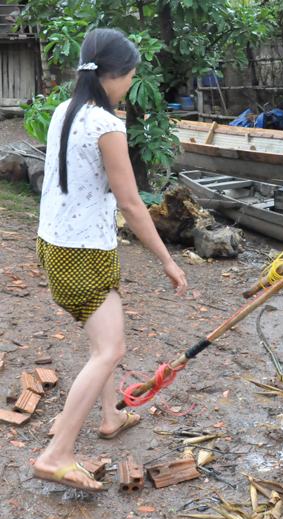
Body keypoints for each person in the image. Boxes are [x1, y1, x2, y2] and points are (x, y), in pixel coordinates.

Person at [32, 28, 188, 492]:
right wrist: (167, 260)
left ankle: (109, 416)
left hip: (55, 245)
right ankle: (56, 454)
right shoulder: (107, 124)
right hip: (82, 255)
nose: (129, 85)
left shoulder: (65, 110)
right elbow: (132, 204)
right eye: (131, 77)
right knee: (110, 349)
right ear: (117, 77)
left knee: (103, 339)